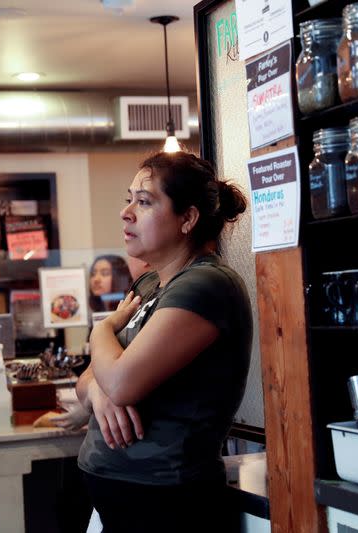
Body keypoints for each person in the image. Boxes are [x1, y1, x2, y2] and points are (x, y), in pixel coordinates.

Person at [76, 151, 252, 533]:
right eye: (129, 199)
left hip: (166, 500)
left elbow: (121, 381)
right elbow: (89, 380)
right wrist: (101, 393)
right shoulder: (151, 283)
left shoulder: (206, 284)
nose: (126, 212)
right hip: (122, 499)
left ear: (187, 219)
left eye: (144, 202)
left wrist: (101, 331)